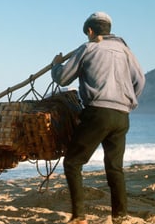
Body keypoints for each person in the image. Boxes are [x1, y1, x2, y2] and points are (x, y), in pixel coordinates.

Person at [51, 12, 145, 224]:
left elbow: (63, 78)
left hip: (98, 113)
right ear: (108, 29)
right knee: (114, 167)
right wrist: (129, 102)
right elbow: (141, 80)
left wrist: (55, 65)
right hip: (122, 116)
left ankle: (79, 216)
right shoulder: (126, 51)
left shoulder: (88, 48)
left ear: (90, 31)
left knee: (73, 163)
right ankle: (120, 216)